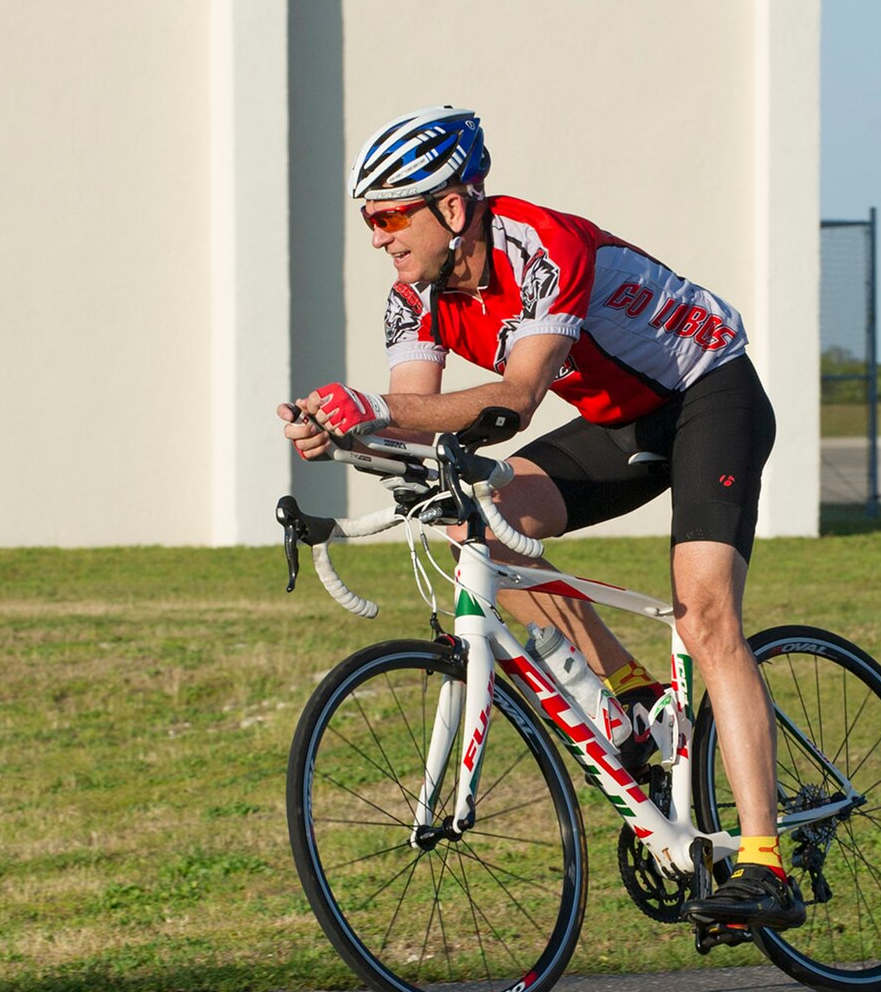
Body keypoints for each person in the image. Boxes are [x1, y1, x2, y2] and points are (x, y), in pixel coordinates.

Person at [278, 106, 801, 930]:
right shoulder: (413, 297)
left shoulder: (540, 246)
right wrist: (347, 432)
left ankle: (767, 864)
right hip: (620, 422)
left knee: (705, 614)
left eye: (388, 214)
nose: (377, 236)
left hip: (709, 394)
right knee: (471, 516)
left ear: (452, 208)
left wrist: (375, 409)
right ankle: (632, 699)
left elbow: (515, 400)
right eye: (367, 219)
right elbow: (423, 415)